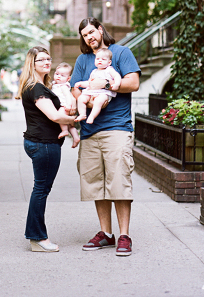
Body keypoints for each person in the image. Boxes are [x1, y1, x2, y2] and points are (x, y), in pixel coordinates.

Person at [69, 17, 141, 257]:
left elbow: (133, 82)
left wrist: (106, 84)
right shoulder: (82, 60)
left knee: (119, 181)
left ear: (100, 30)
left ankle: (124, 235)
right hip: (90, 131)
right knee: (96, 184)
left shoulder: (121, 53)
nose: (89, 37)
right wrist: (84, 92)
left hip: (117, 128)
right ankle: (106, 234)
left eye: (91, 32)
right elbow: (74, 88)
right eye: (84, 35)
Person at [15, 46, 82, 253]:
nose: (47, 62)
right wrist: (77, 120)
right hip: (43, 144)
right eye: (41, 60)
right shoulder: (35, 87)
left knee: (41, 189)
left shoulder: (41, 85)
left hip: (41, 142)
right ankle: (38, 238)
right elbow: (54, 116)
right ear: (31, 63)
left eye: (48, 59)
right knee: (41, 190)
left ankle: (36, 235)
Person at [75, 48, 122, 124]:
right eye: (97, 59)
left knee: (98, 101)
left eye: (103, 59)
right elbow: (90, 83)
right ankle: (82, 114)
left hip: (103, 93)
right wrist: (81, 84)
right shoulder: (94, 71)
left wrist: (116, 84)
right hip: (91, 91)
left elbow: (117, 76)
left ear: (109, 62)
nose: (100, 60)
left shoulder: (109, 70)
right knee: (81, 98)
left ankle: (92, 116)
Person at [51, 62, 81, 148]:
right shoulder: (55, 84)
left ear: (68, 78)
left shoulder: (63, 86)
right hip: (64, 106)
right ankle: (76, 137)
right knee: (71, 125)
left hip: (64, 106)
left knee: (60, 117)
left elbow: (68, 96)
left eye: (62, 75)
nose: (59, 76)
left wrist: (68, 105)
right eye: (57, 74)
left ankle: (64, 131)